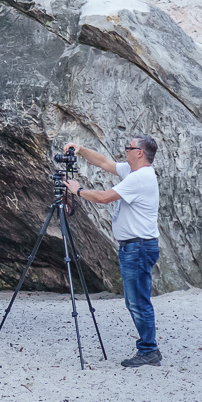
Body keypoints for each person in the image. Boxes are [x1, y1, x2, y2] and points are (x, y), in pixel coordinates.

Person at [65, 138, 162, 368]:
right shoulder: (134, 170)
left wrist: (77, 190)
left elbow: (104, 197)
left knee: (138, 302)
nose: (125, 151)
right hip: (133, 246)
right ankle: (148, 348)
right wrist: (81, 150)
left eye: (129, 148)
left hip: (138, 247)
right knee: (135, 300)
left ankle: (149, 350)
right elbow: (106, 163)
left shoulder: (140, 178)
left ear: (139, 153)